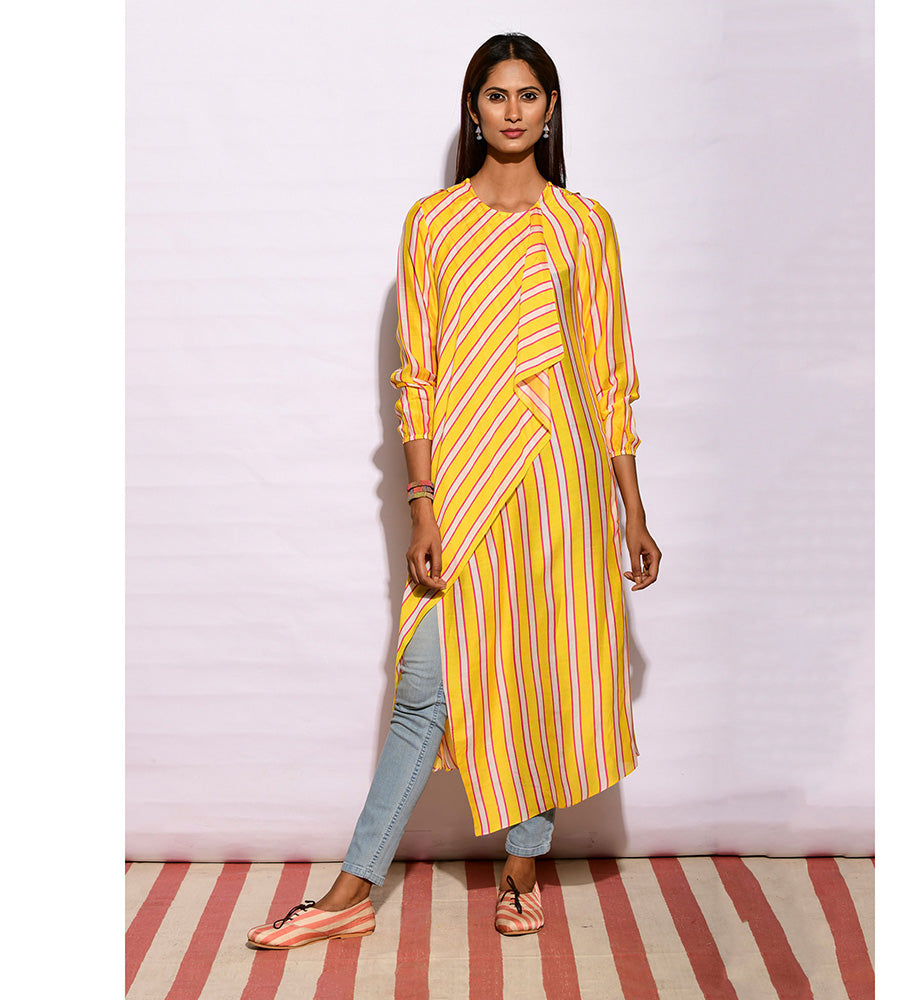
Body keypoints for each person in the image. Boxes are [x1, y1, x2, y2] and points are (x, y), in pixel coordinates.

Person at [247, 31, 660, 949]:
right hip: (466, 485)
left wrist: (632, 507)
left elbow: (608, 375)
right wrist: (423, 502)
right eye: (496, 95)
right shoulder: (432, 223)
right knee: (424, 686)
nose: (513, 111)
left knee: (544, 670)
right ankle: (353, 889)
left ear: (551, 109)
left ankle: (523, 867)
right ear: (473, 110)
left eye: (529, 95)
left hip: (561, 485)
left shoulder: (585, 226)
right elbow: (419, 376)